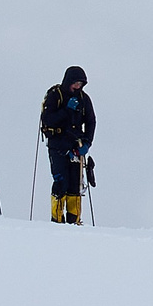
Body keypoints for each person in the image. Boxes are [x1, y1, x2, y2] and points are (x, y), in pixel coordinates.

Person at [38, 65, 96, 224]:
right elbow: (48, 119)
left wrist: (87, 142)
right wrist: (67, 111)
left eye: (81, 84)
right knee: (60, 182)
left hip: (76, 146)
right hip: (57, 145)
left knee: (75, 186)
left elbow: (91, 121)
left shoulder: (84, 99)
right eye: (75, 83)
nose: (78, 86)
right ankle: (57, 220)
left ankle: (74, 221)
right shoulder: (55, 96)